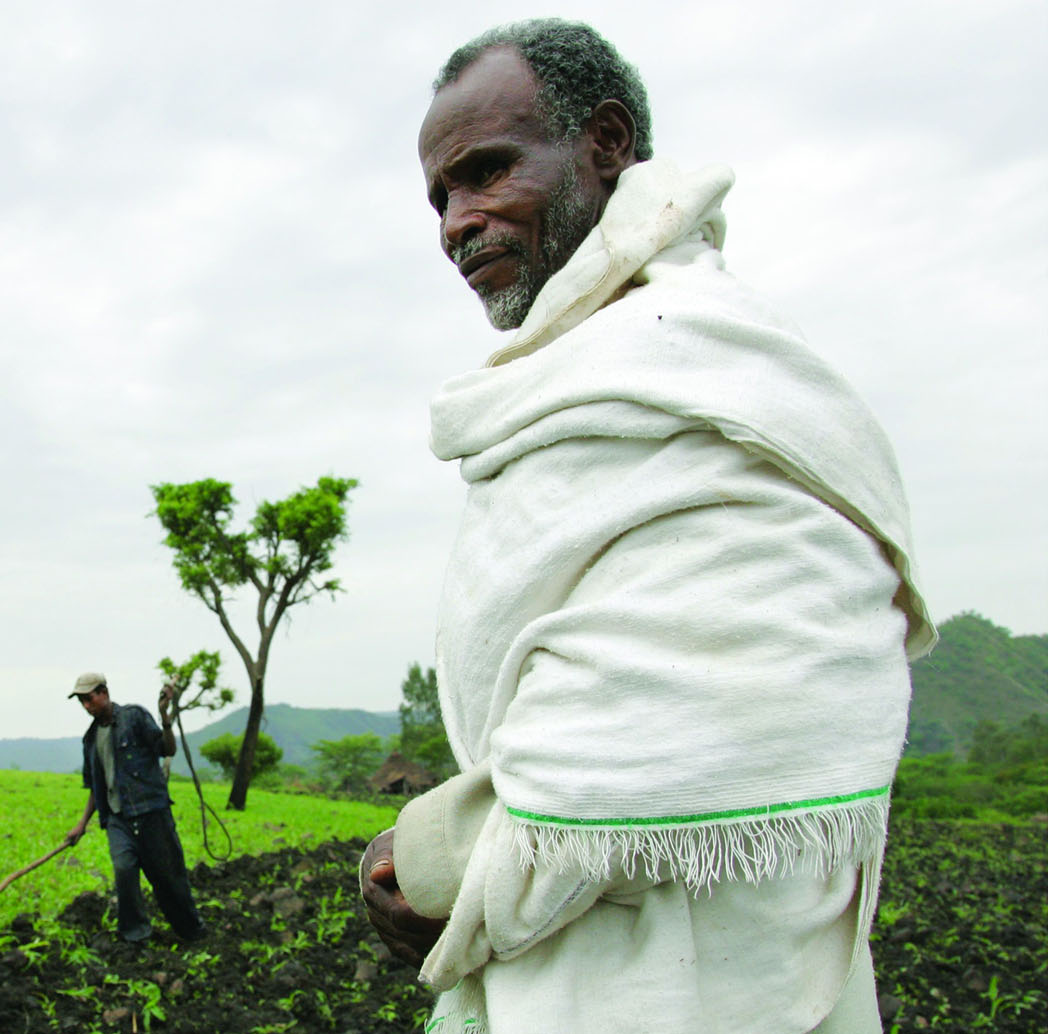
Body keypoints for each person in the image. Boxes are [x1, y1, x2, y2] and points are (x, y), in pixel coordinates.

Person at [359, 18, 934, 1034]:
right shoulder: (586, 383)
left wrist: (438, 859)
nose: (457, 221)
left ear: (609, 143)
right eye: (441, 198)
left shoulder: (710, 380)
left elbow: (640, 751)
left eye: (488, 171)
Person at [64, 671, 205, 945]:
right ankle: (136, 935)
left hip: (151, 812)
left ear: (103, 692)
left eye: (89, 699)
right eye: (81, 701)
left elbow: (167, 749)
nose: (86, 706)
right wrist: (81, 824)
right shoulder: (90, 739)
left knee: (168, 876)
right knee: (124, 870)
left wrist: (165, 718)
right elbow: (96, 787)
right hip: (118, 819)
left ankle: (191, 931)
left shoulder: (135, 717)